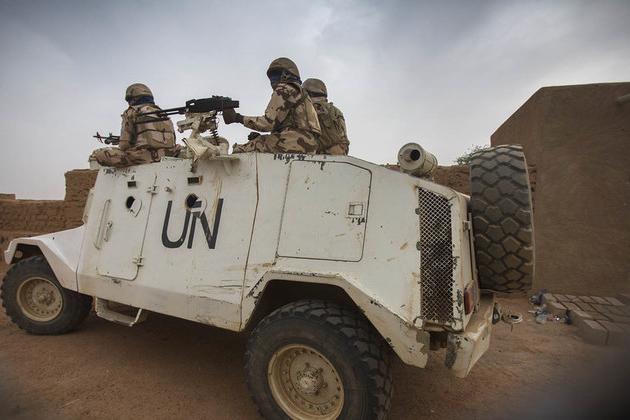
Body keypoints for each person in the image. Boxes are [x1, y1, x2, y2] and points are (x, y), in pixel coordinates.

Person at [223, 57, 321, 154]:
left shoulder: (285, 89)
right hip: (308, 144)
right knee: (257, 142)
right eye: (271, 76)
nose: (273, 79)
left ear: (286, 75)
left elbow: (268, 123)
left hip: (295, 141)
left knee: (240, 150)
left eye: (276, 74)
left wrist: (237, 118)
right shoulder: (301, 93)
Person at [92, 83, 177, 167]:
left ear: (133, 98)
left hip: (143, 158)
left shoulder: (131, 112)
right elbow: (172, 140)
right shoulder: (163, 114)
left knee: (100, 154)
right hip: (168, 154)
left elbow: (124, 145)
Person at [303, 78, 350, 155]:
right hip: (339, 155)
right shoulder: (336, 110)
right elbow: (343, 139)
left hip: (320, 155)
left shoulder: (310, 108)